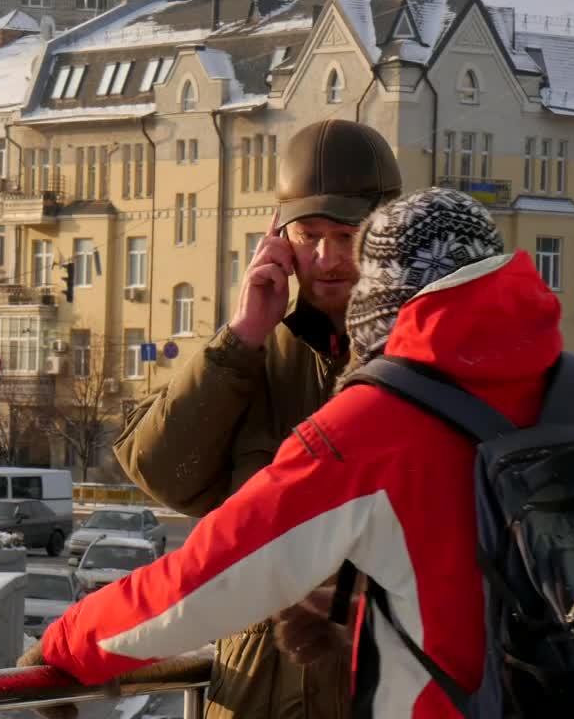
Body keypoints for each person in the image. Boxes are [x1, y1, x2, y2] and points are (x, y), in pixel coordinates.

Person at [21, 188, 574, 716]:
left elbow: (203, 583)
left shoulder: (375, 422)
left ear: (384, 292)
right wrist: (369, 599)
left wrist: (65, 644)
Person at [108, 119, 402, 719]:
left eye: (347, 235)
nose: (327, 259)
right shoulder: (254, 358)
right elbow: (163, 471)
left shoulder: (423, 359)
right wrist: (242, 336)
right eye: (309, 235)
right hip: (252, 698)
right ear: (280, 240)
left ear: (386, 238)